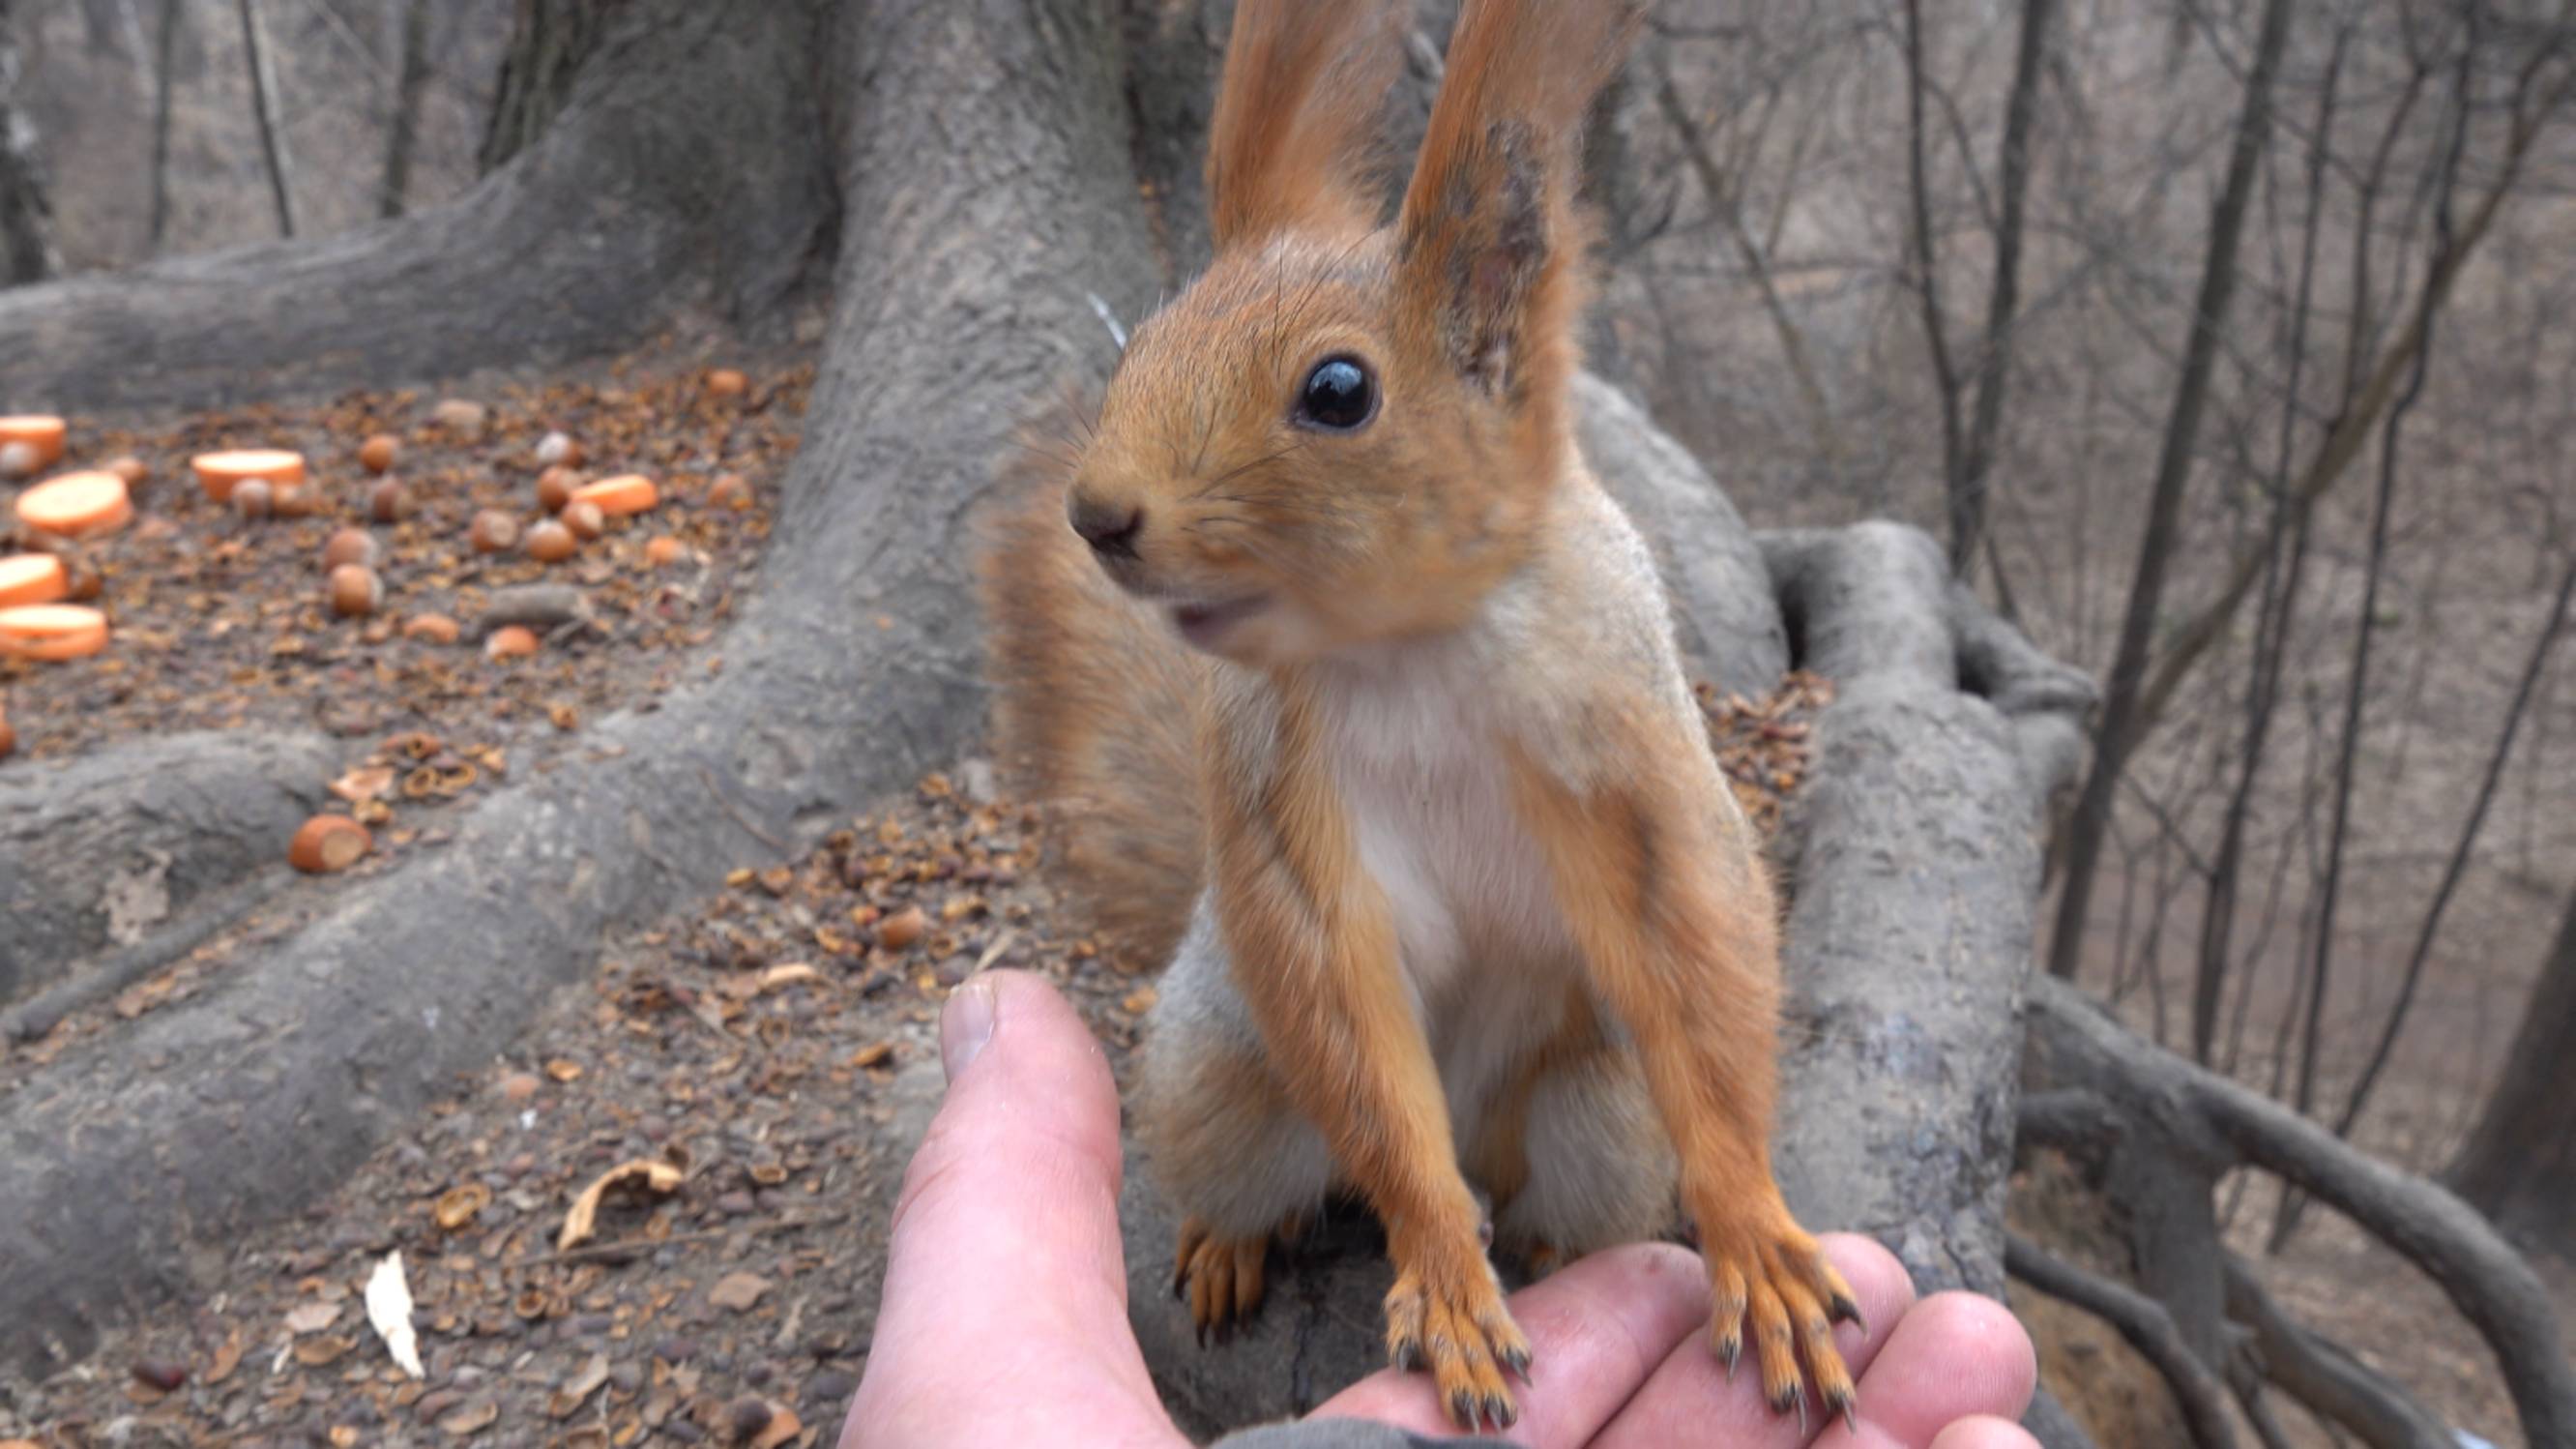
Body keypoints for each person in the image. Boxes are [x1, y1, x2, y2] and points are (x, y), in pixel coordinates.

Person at [840, 971, 2043, 1448]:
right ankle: (1248, 1216)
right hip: (1326, 1080)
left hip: (1528, 1079)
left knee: (1601, 1171)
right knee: (1237, 1145)